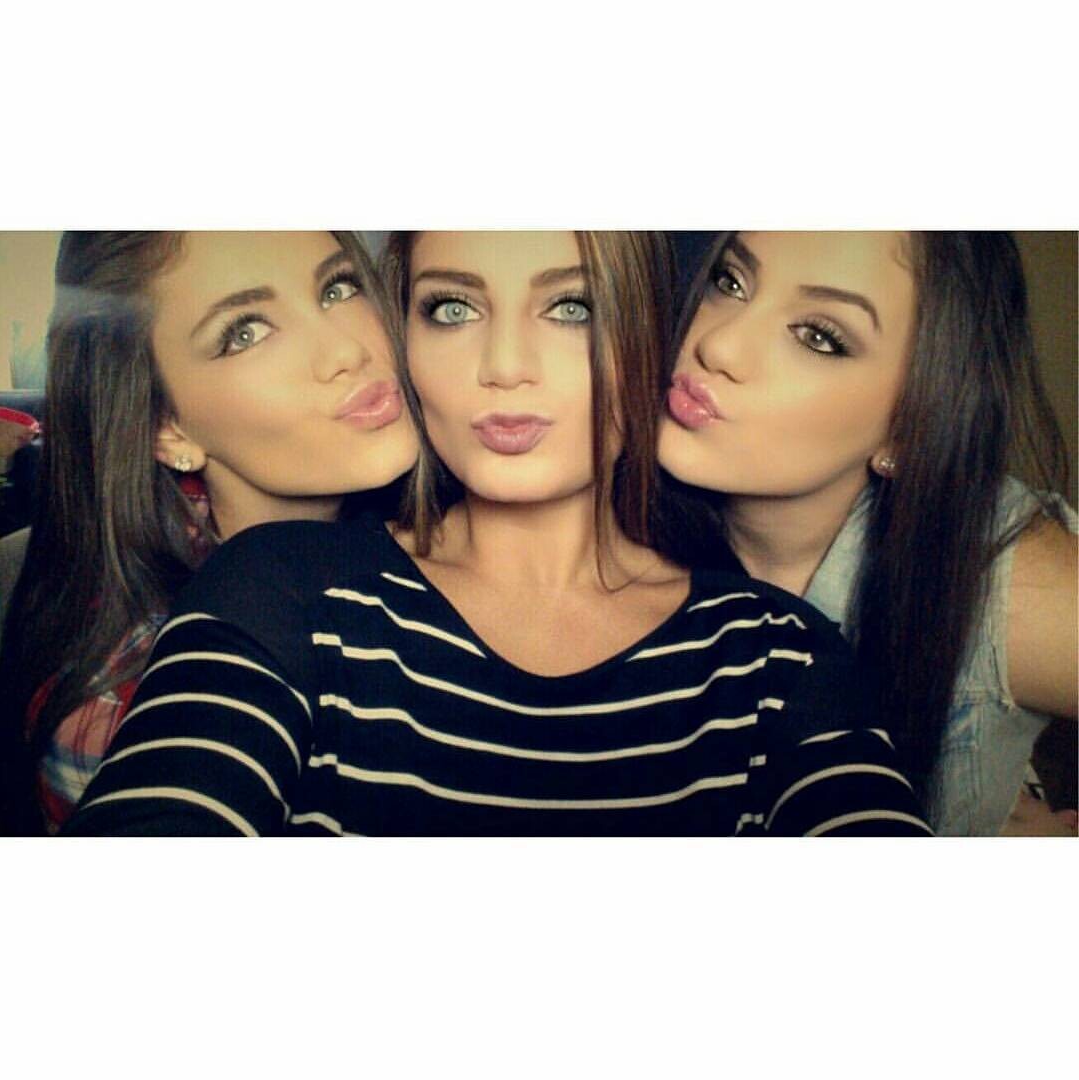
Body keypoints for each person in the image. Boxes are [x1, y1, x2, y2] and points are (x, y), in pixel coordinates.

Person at [63, 230, 930, 837]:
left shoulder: (776, 651)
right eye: (450, 309)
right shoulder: (281, 589)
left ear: (648, 329)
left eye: (572, 307)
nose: (505, 366)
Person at [657, 231, 1077, 835]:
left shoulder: (998, 580)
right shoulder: (591, 498)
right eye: (730, 281)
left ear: (909, 429)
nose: (716, 343)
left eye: (818, 337)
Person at [0, 231, 417, 834]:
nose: (346, 350)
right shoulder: (127, 706)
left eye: (338, 287)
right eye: (245, 332)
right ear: (168, 428)